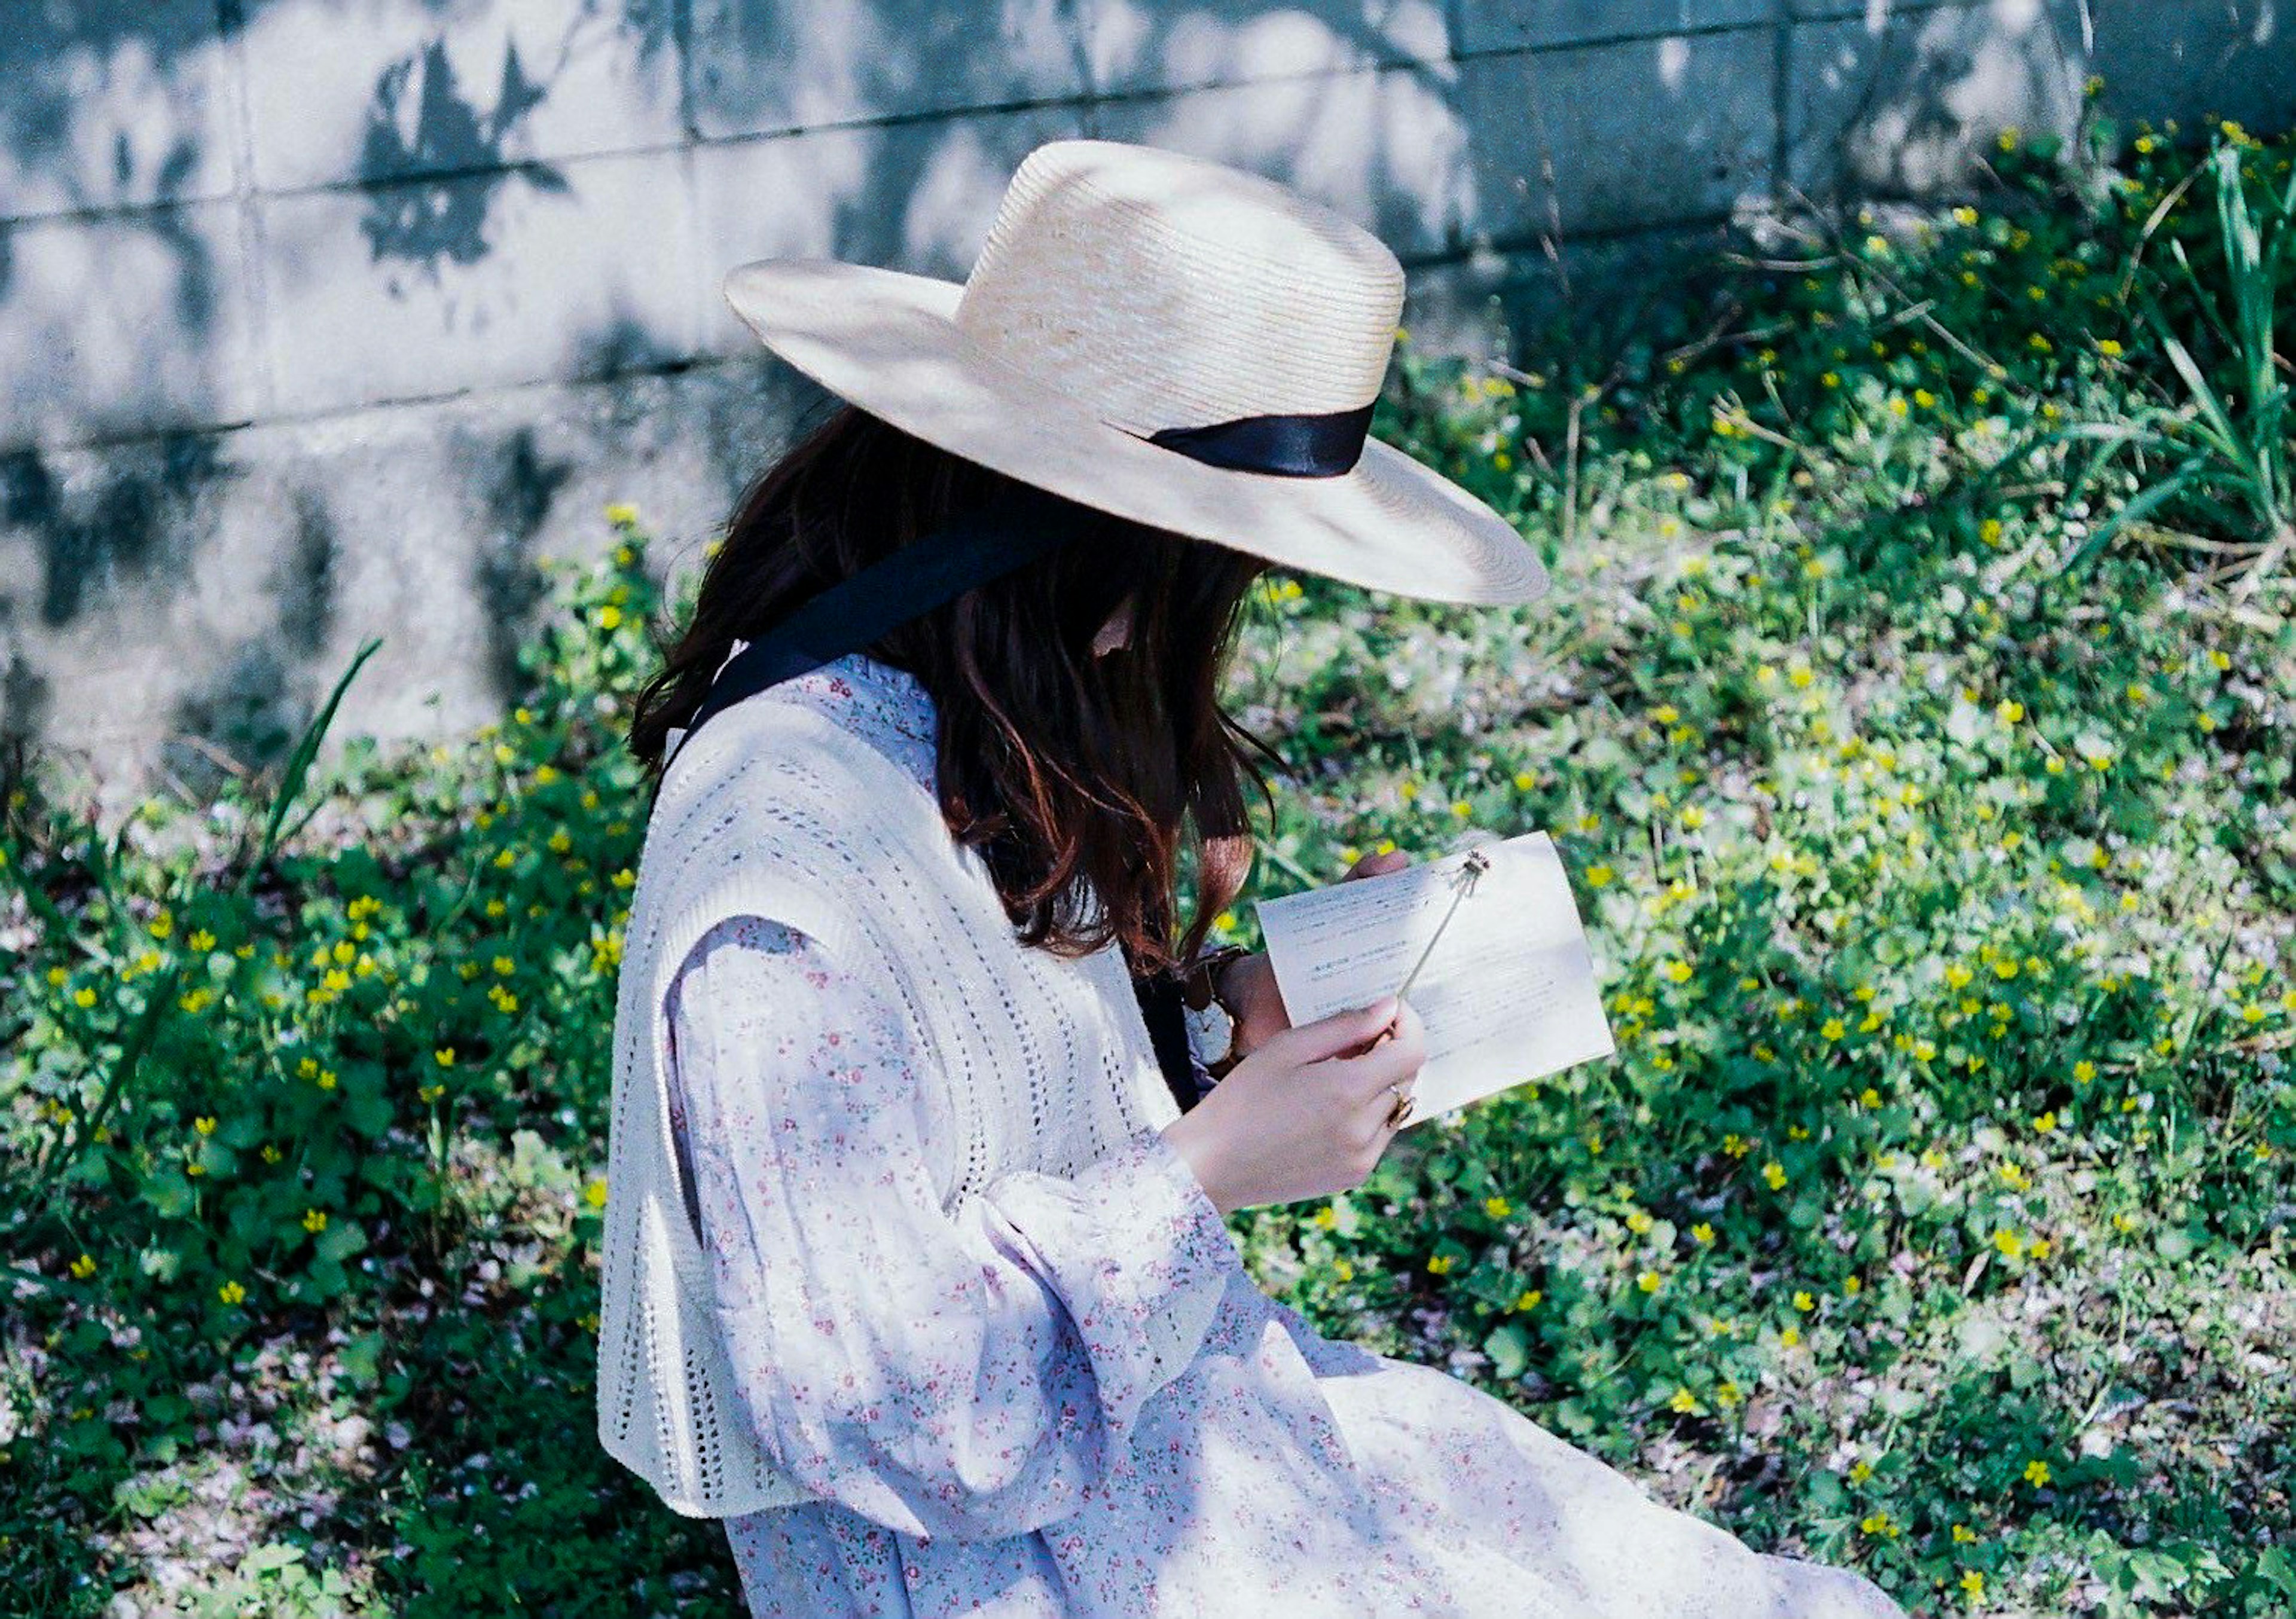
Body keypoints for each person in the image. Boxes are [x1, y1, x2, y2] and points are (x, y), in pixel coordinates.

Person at [594, 139, 1905, 1617]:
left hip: (1182, 1425)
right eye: (1200, 567)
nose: (1182, 630)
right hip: (999, 1559)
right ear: (1060, 539)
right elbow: (900, 1412)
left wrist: (1226, 1028)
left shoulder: (949, 699)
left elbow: (1003, 1067)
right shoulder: (790, 875)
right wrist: (1210, 1168)